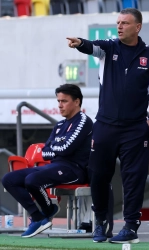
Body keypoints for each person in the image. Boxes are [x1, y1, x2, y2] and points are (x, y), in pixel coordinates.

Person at [66, 8, 149, 244]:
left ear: (137, 27)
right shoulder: (109, 47)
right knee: (99, 174)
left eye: (124, 23)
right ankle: (101, 222)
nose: (119, 26)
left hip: (135, 129)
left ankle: (131, 226)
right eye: (118, 22)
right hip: (105, 126)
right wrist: (79, 42)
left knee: (134, 178)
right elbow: (91, 45)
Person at [2, 84, 99, 238]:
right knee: (9, 179)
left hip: (74, 170)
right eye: (58, 101)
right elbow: (45, 151)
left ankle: (48, 211)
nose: (60, 105)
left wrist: (54, 148)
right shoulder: (60, 125)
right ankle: (38, 217)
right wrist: (55, 148)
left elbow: (65, 148)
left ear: (77, 102)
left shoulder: (83, 121)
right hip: (55, 166)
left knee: (32, 180)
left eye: (64, 101)